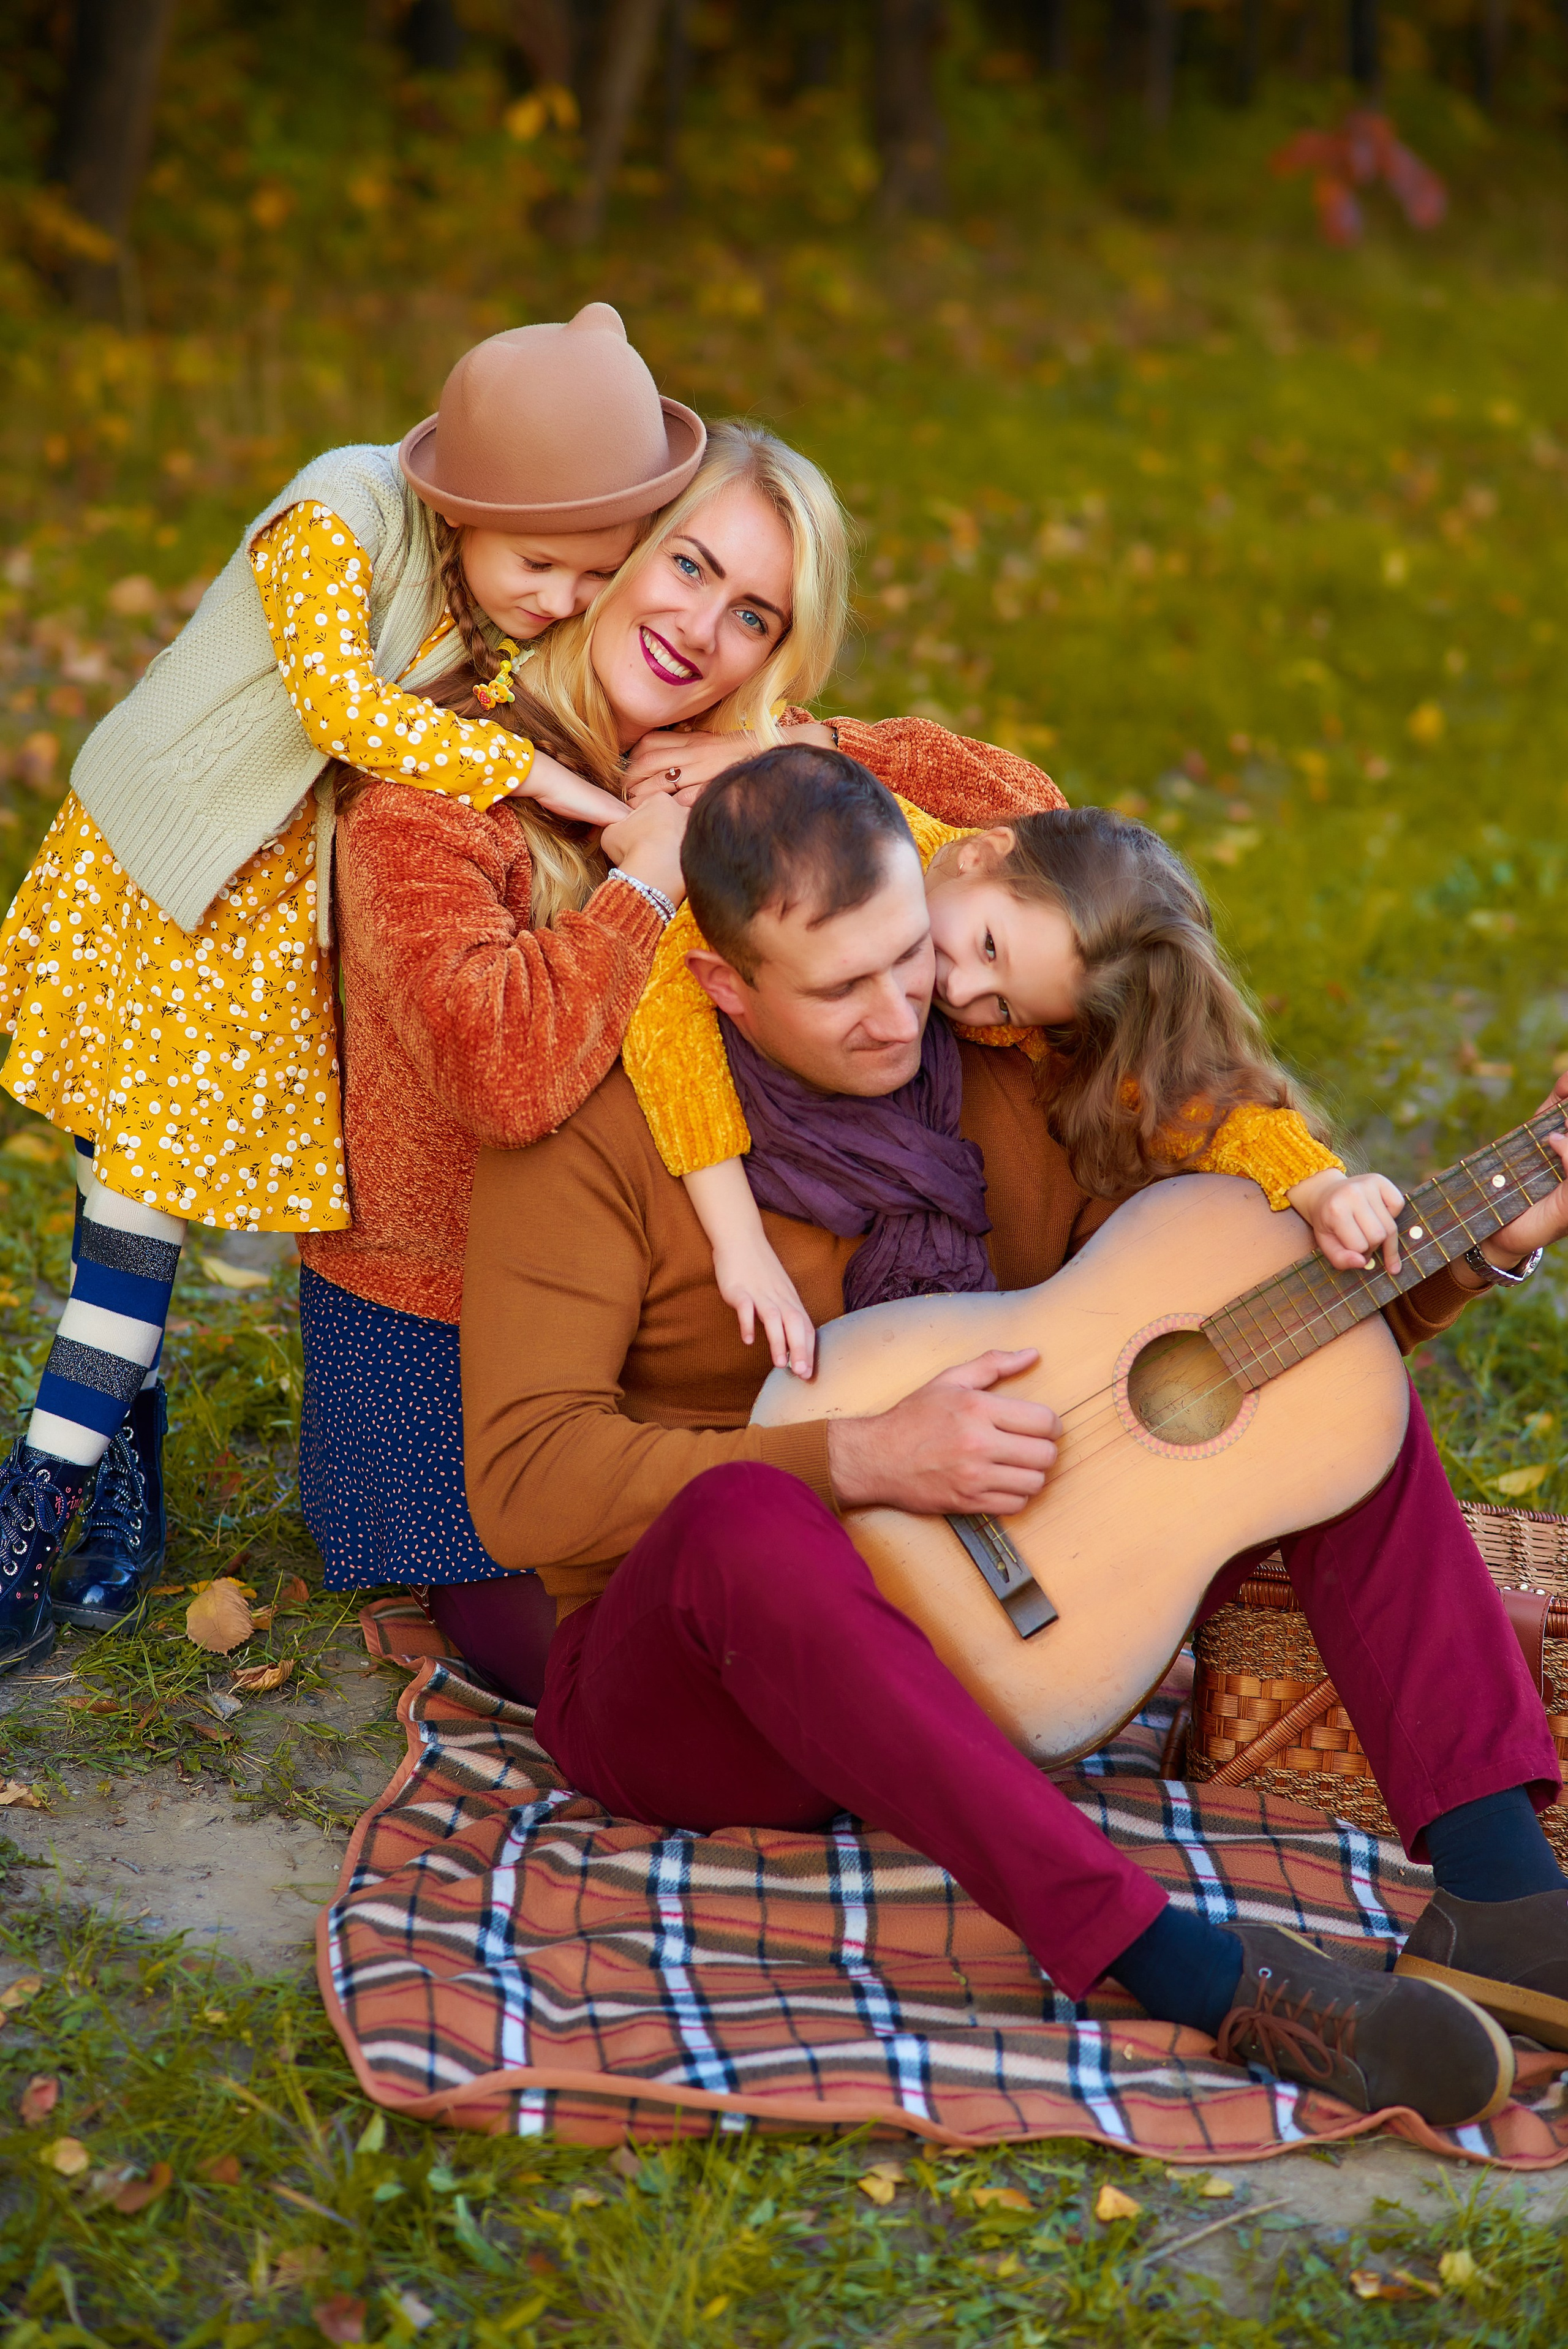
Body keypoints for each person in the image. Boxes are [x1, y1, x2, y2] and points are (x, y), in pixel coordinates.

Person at [458, 745, 1568, 2130]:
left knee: (1343, 1412)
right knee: (746, 1525)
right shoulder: (584, 1134)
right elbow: (517, 1486)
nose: (894, 1017)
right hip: (708, 1690)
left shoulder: (1001, 1063)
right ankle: (1187, 1965)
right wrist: (857, 1454)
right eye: (837, 988)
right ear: (721, 984)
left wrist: (1474, 1252)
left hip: (1026, 1611)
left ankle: (1502, 1890)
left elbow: (1197, 1344)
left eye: (906, 962)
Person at [295, 422, 1064, 1700]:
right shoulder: (431, 789)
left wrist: (801, 757)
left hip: (698, 1334)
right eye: (689, 567)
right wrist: (643, 880)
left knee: (909, 1608)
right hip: (465, 1347)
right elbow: (506, 1078)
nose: (705, 630)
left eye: (754, 613)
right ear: (617, 553)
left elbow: (1040, 839)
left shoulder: (738, 762)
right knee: (718, 1661)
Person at [0, 303, 706, 1674]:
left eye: (591, 575)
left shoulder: (480, 597)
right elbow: (336, 707)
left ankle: (107, 1484)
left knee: (124, 1214)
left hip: (257, 921)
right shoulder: (341, 505)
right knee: (130, 1213)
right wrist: (548, 780)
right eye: (544, 563)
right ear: (462, 501)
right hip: (159, 881)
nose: (561, 598)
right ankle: (40, 1504)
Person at [624, 798, 1406, 1378]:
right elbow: (669, 1018)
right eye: (985, 945)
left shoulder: (1013, 970)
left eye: (1003, 1004)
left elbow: (1181, 1102)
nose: (957, 988)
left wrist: (1316, 1186)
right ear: (979, 853)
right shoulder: (842, 858)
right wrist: (739, 1243)